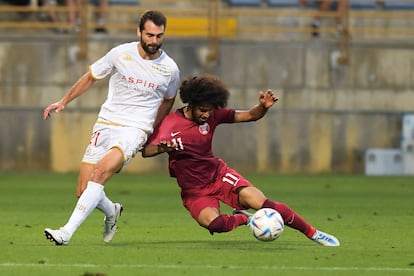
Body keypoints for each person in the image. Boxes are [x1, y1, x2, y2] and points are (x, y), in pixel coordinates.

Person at [141, 74, 340, 247]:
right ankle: (244, 219)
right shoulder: (170, 123)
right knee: (214, 224)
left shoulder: (212, 115)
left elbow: (251, 115)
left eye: (210, 110)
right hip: (194, 190)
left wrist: (263, 107)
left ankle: (313, 233)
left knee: (263, 203)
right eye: (202, 109)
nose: (206, 114)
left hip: (219, 175)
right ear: (191, 104)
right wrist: (161, 148)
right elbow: (146, 152)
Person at [43, 10, 180, 245]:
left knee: (101, 173)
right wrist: (63, 101)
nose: (154, 41)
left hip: (135, 129)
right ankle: (112, 211)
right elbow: (91, 76)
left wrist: (152, 131)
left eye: (159, 36)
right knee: (84, 190)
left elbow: (168, 100)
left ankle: (65, 233)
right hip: (106, 123)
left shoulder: (170, 69)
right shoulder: (120, 54)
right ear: (139, 31)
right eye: (149, 35)